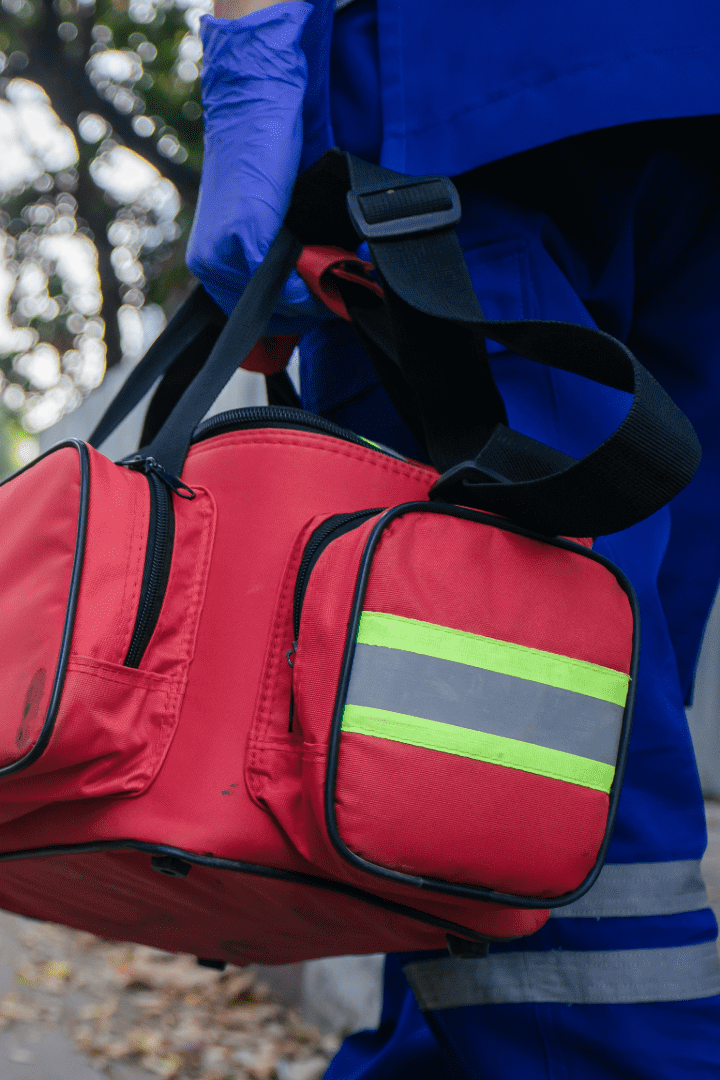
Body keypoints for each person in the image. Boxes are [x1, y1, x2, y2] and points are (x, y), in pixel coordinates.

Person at [187, 1, 720, 1075]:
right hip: (673, 90)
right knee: (575, 710)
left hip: (457, 115)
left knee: (517, 740)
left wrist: (251, 64)